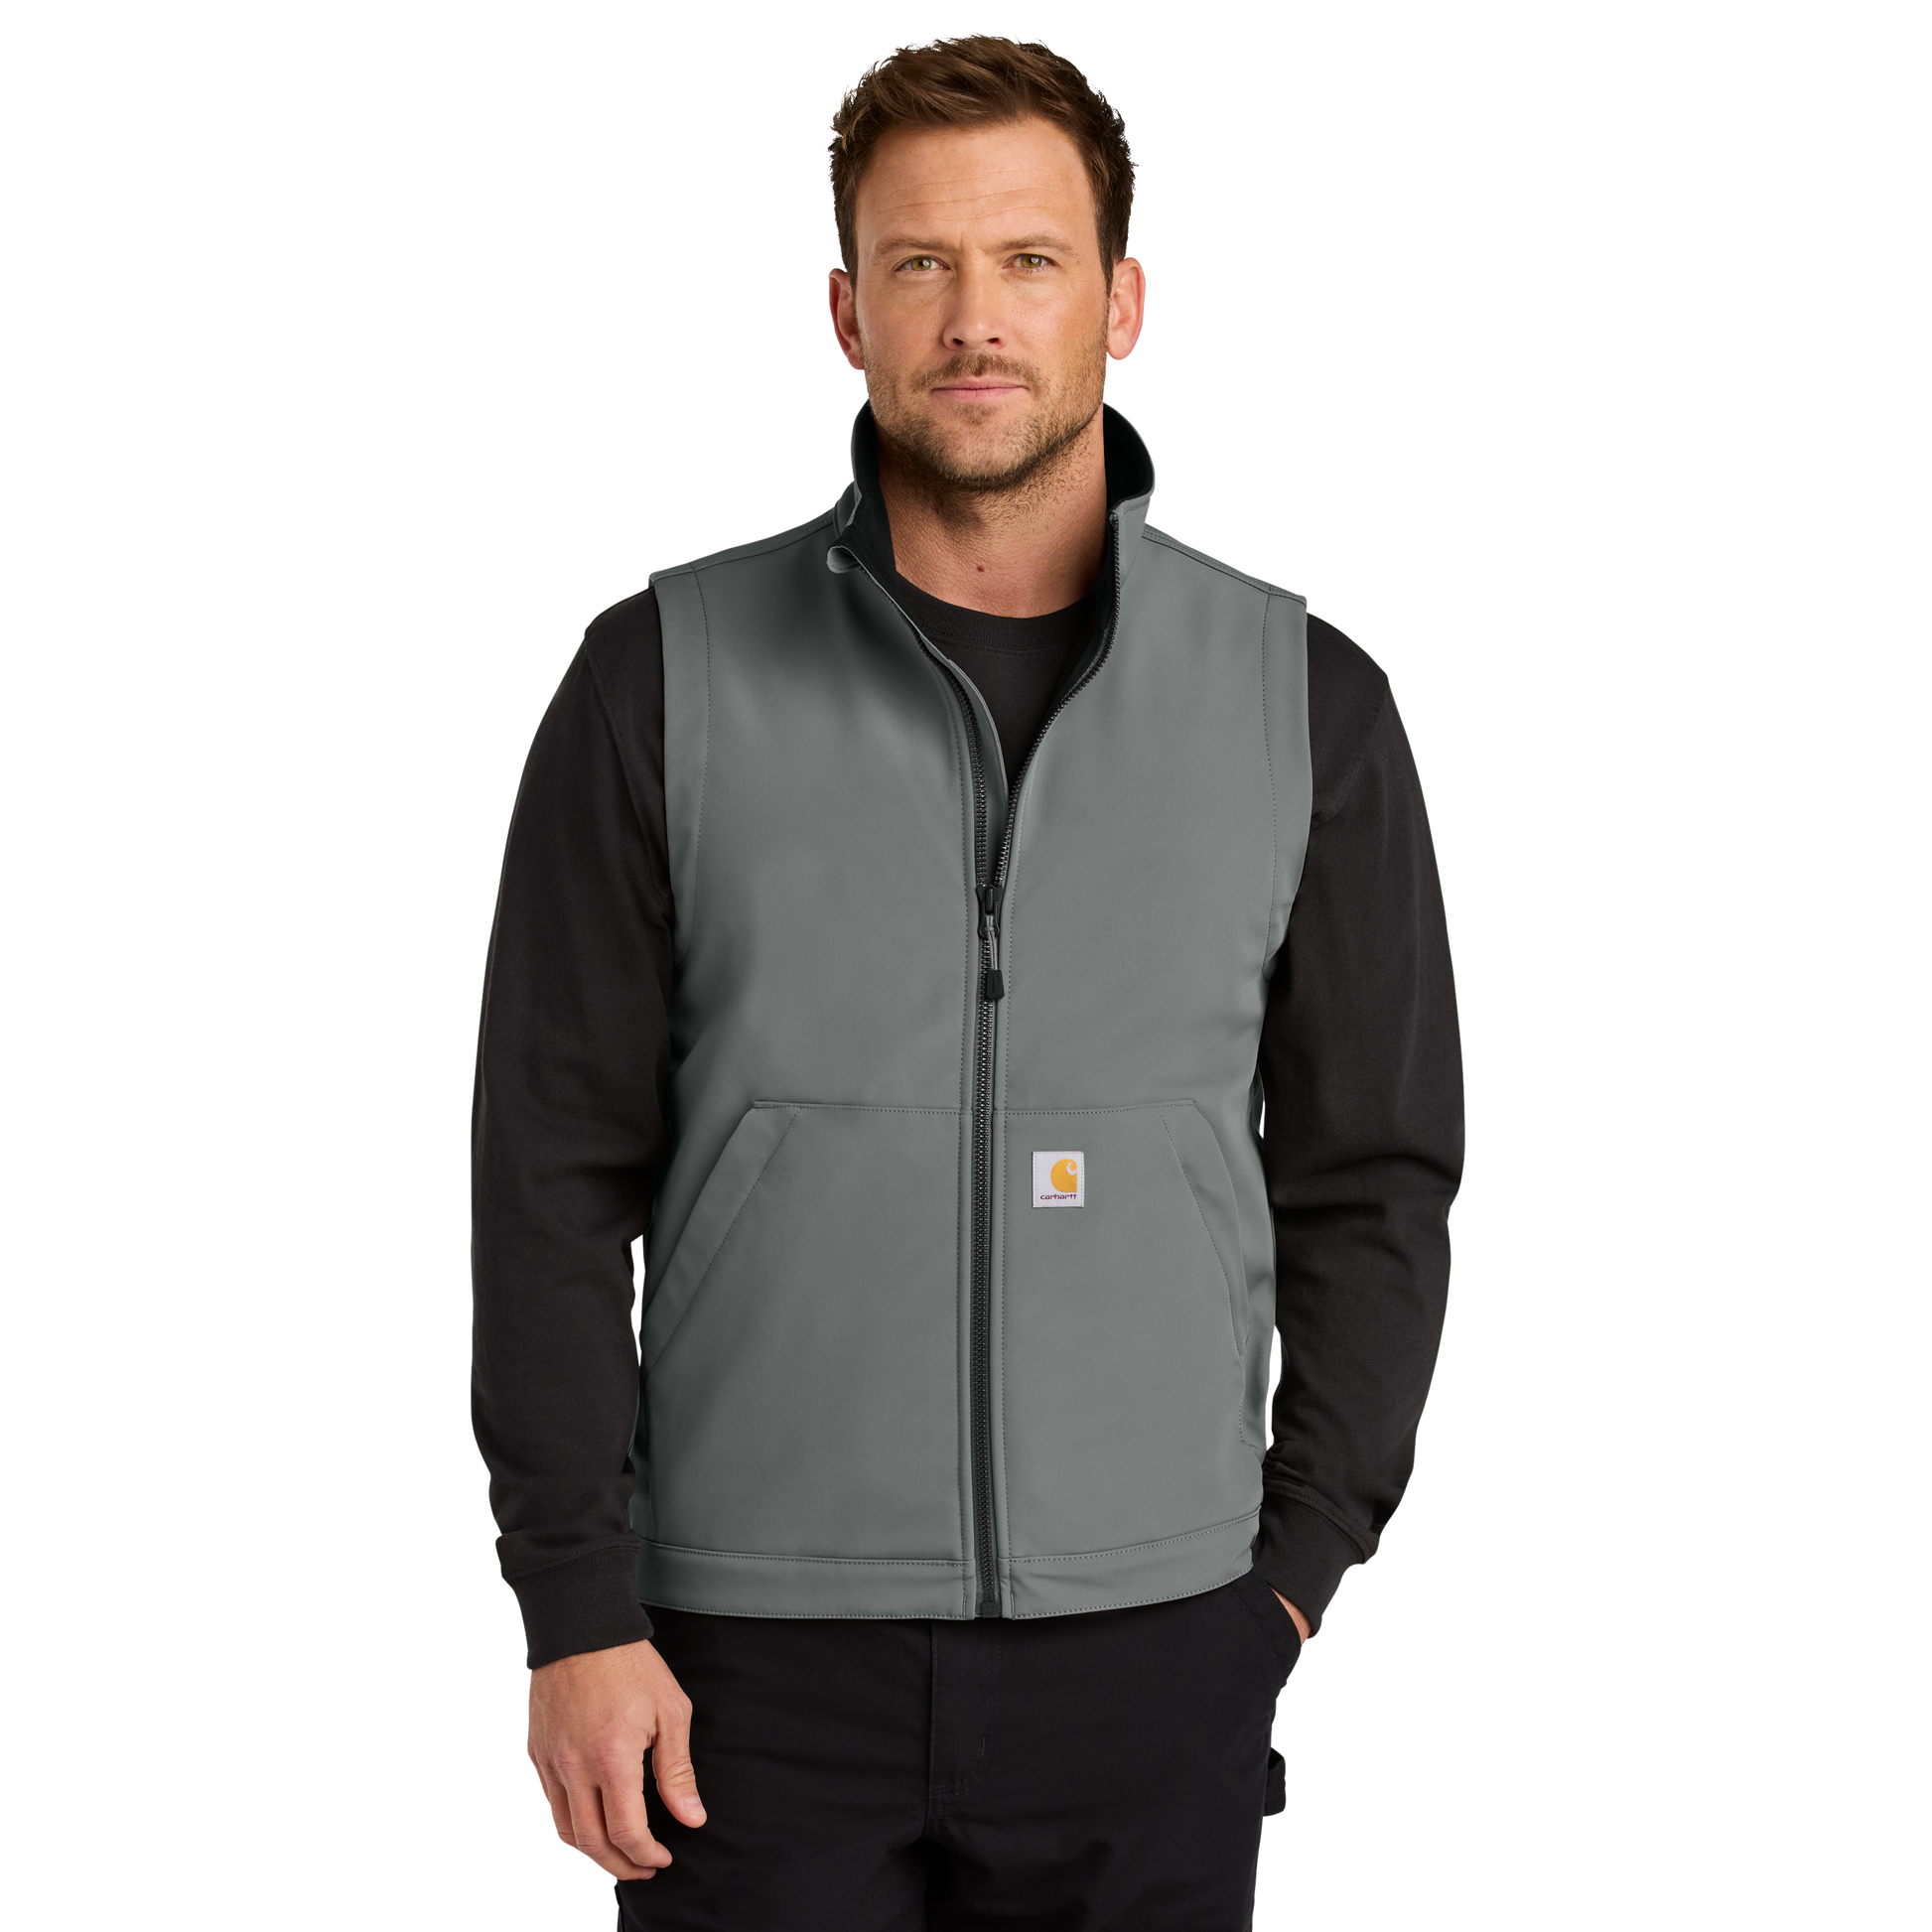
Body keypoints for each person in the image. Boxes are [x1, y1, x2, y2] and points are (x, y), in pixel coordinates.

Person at [469, 27, 1464, 1929]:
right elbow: (545, 1178)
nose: (974, 320)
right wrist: (575, 1606)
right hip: (740, 1653)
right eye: (919, 264)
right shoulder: (657, 674)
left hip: (1158, 1641)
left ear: (1121, 303)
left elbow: (1378, 1174)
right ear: (846, 311)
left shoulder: (1301, 698)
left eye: (1027, 260)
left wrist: (1288, 1573)